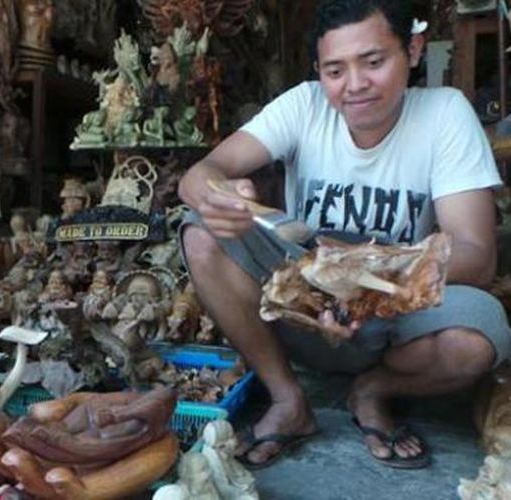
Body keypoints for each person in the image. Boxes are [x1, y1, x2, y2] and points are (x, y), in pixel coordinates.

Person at [178, 0, 510, 470]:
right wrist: (216, 196)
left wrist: (363, 275)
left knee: (483, 331)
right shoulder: (305, 103)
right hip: (301, 308)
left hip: (393, 313)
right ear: (319, 70)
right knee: (200, 233)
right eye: (335, 70)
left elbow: (477, 256)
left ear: (412, 51)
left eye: (373, 62)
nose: (354, 85)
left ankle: (373, 390)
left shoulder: (444, 114)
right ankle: (288, 399)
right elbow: (199, 175)